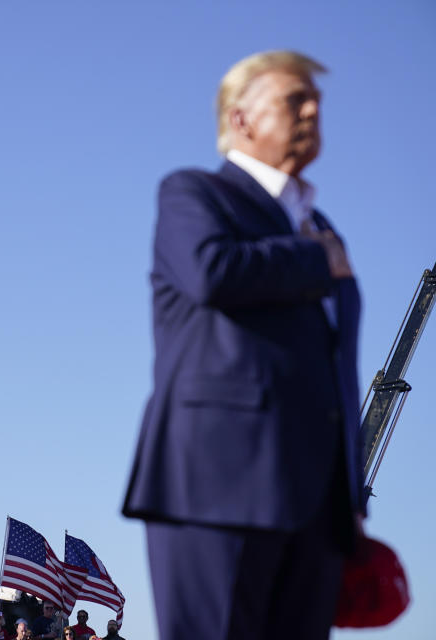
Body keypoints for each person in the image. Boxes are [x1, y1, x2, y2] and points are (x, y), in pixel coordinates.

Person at [122, 50, 365, 640]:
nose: (312, 110)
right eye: (293, 99)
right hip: (216, 486)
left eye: (317, 101)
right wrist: (314, 259)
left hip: (317, 504)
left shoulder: (322, 226)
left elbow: (339, 363)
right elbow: (212, 272)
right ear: (240, 120)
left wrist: (350, 493)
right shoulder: (194, 194)